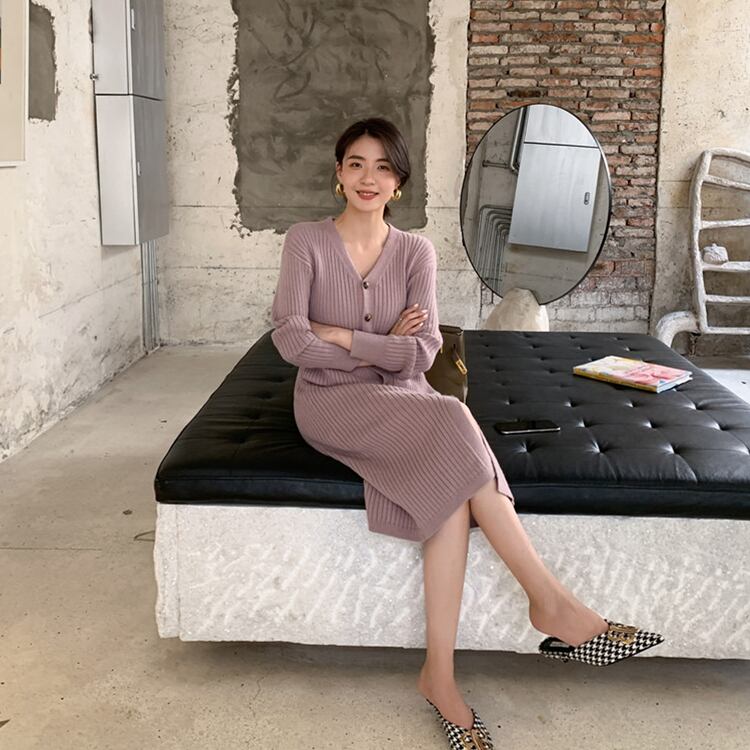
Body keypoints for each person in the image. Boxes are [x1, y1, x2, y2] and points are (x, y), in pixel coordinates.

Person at [270, 117, 663, 749]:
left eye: (383, 167)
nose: (369, 178)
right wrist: (379, 343)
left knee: (451, 492)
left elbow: (423, 353)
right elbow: (292, 339)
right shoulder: (306, 242)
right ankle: (550, 602)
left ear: (399, 182)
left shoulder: (415, 252)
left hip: (404, 396)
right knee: (453, 417)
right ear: (338, 173)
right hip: (330, 403)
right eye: (356, 164)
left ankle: (441, 677)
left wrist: (342, 335)